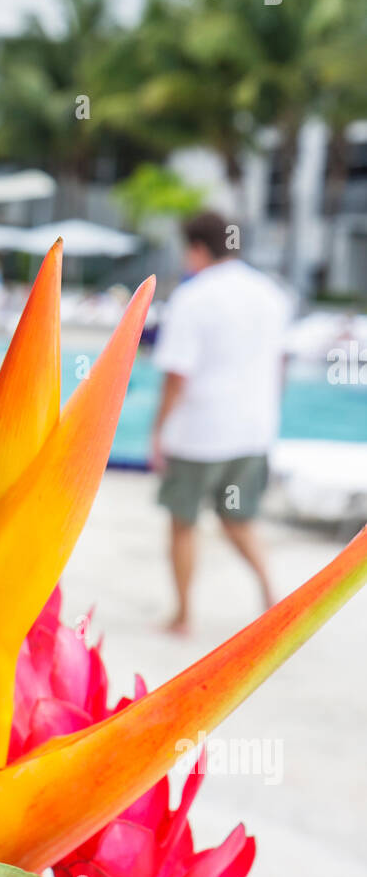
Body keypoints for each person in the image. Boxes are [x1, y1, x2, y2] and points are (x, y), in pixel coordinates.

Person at [152, 211, 292, 634]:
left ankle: (183, 616)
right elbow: (280, 364)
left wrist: (158, 432)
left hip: (199, 434)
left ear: (197, 249)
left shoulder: (193, 297)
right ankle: (272, 597)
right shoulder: (271, 293)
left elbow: (177, 375)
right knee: (237, 519)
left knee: (183, 522)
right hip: (252, 431)